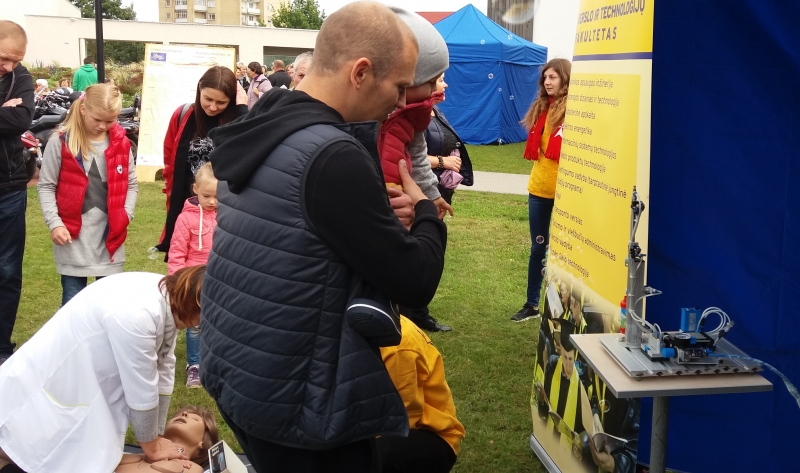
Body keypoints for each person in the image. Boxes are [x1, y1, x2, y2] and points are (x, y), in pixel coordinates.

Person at [200, 2, 446, 471]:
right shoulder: (331, 154)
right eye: (397, 88)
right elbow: (415, 280)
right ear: (360, 72)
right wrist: (426, 213)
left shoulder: (267, 119)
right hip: (299, 400)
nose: (400, 104)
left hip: (243, 370)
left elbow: (303, 238)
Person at [0, 267, 206, 473]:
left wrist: (157, 435)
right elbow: (142, 387)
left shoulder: (167, 299)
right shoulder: (138, 312)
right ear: (196, 306)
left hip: (77, 375)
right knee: (21, 442)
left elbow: (164, 365)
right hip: (55, 376)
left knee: (55, 448)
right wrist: (152, 444)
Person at [377, 8, 453, 333]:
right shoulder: (380, 116)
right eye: (434, 79)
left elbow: (418, 156)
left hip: (401, 199)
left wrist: (431, 196)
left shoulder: (415, 115)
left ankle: (411, 314)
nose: (441, 85)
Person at [37, 83, 138, 306]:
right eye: (97, 119)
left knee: (109, 306)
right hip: (72, 242)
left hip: (109, 241)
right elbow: (46, 186)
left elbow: (131, 183)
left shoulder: (121, 143)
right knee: (73, 307)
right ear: (83, 109)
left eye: (110, 121)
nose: (103, 126)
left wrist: (126, 214)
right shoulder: (60, 141)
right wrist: (55, 223)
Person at [154, 66, 247, 258]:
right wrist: (170, 189)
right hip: (187, 205)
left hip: (221, 206)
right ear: (199, 90)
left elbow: (245, 154)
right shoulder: (182, 115)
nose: (213, 107)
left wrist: (242, 111)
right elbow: (169, 157)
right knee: (182, 259)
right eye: (208, 99)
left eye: (221, 102)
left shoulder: (238, 118)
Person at [511, 58, 571, 322]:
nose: (547, 82)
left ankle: (564, 306)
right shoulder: (541, 109)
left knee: (567, 252)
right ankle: (532, 304)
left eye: (553, 77)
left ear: (566, 79)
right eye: (545, 77)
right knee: (538, 248)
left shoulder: (576, 112)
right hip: (539, 190)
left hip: (567, 193)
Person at [378, 316, 465, 473]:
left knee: (375, 457)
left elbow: (400, 418)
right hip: (377, 419)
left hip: (427, 431)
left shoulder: (396, 344)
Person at [0, 20, 34, 368]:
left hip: (9, 187)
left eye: (15, 60)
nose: (9, 67)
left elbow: (21, 120)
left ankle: (1, 346)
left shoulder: (21, 77)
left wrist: (12, 113)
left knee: (8, 271)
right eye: (4, 58)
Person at [168, 162, 217, 389]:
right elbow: (177, 253)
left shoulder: (225, 217)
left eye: (217, 196)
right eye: (207, 195)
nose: (213, 201)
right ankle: (194, 366)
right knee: (194, 326)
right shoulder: (185, 219)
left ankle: (214, 364)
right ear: (195, 189)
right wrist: (178, 283)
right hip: (192, 285)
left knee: (216, 324)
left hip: (218, 281)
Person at [116, 405, 220, 473]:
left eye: (195, 419)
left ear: (203, 442)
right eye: (179, 415)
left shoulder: (191, 469)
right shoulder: (122, 454)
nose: (184, 414)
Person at [424, 73, 474, 205]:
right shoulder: (416, 117)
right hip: (423, 193)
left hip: (439, 190)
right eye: (441, 80)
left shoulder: (435, 111)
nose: (446, 84)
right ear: (427, 84)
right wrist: (443, 161)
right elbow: (409, 158)